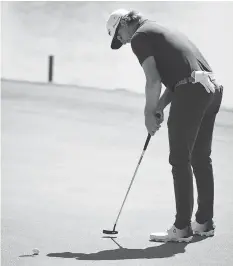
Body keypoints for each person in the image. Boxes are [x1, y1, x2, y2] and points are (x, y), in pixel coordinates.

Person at [106, 9, 223, 242]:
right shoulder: (161, 29)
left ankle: (181, 229)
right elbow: (179, 74)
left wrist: (148, 113)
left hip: (191, 92)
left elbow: (153, 80)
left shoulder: (140, 37)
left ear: (125, 23)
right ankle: (204, 223)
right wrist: (160, 106)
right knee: (200, 158)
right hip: (211, 88)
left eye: (119, 36)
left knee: (180, 160)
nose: (124, 41)